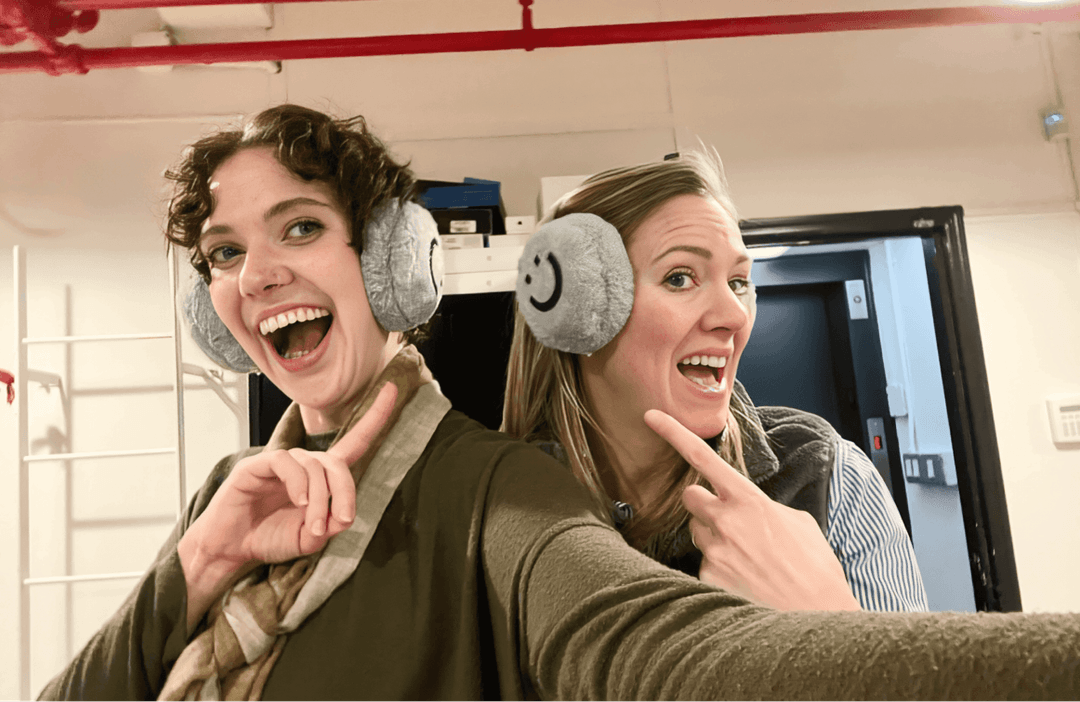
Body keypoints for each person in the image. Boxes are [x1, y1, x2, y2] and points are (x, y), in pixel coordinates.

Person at [40, 104, 1080, 702]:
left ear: (398, 261)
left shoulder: (499, 491)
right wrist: (194, 569)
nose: (257, 274)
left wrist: (835, 626)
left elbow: (667, 654)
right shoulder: (230, 493)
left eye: (300, 228)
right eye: (225, 253)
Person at [502, 150, 927, 612]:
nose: (733, 315)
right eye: (680, 278)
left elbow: (917, 687)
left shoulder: (831, 479)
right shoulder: (499, 508)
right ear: (579, 317)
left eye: (740, 282)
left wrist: (822, 614)